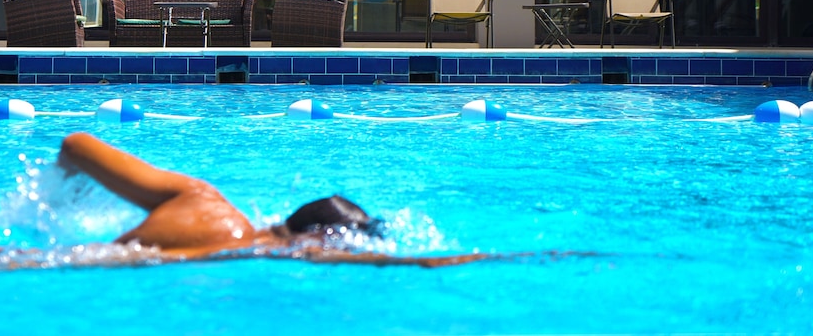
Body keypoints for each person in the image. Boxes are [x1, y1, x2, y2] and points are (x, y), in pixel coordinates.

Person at [52, 132, 490, 267]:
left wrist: (68, 203)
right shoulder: (261, 250)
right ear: (318, 239)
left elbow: (76, 145)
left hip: (35, 258)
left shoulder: (200, 198)